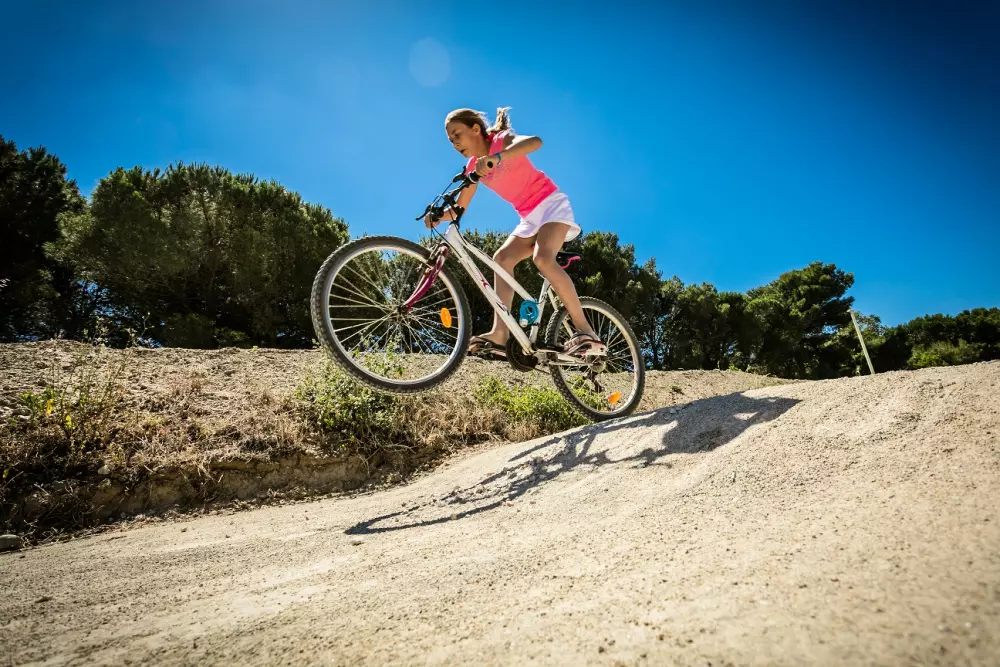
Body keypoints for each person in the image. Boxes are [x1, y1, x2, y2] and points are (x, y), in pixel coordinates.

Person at [425, 106, 606, 359]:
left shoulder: (501, 141)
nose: (454, 142)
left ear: (476, 129)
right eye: (450, 139)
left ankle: (585, 332)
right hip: (529, 217)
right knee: (502, 260)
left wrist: (498, 157)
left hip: (551, 205)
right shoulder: (472, 169)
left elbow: (535, 142)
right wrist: (439, 217)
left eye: (457, 134)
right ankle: (500, 333)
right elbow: (459, 210)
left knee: (543, 259)